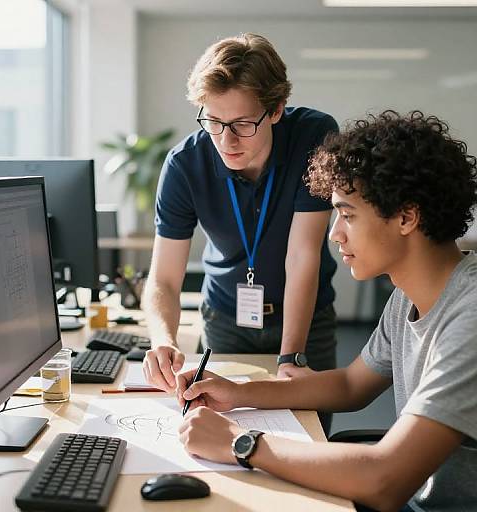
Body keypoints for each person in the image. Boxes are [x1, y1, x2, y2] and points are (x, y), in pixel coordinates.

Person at [175, 111, 477, 512]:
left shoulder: (469, 313)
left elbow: (385, 480)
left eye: (348, 214)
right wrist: (239, 394)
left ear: (406, 217)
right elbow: (352, 385)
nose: (334, 233)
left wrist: (238, 443)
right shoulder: (410, 294)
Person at [142, 34, 339, 431]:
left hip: (303, 321)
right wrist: (164, 340)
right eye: (213, 121)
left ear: (277, 109)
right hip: (226, 320)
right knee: (220, 437)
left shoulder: (313, 137)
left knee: (307, 439)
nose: (226, 140)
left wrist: (291, 357)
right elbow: (163, 277)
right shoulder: (185, 165)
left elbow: (302, 254)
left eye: (243, 124)